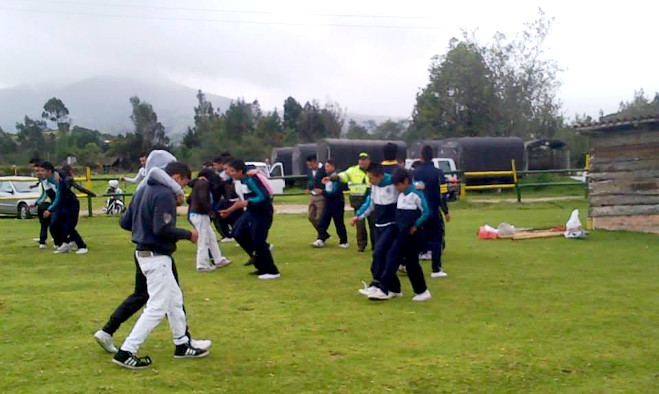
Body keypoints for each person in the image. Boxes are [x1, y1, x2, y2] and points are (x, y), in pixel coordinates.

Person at [94, 151, 210, 356]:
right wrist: (188, 234)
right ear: (176, 177)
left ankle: (182, 343)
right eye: (183, 182)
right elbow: (162, 229)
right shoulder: (164, 194)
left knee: (171, 299)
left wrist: (143, 227)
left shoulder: (142, 190)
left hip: (144, 251)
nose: (183, 187)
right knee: (157, 305)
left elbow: (125, 222)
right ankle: (127, 350)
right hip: (156, 255)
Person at [368, 168, 432, 302]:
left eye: (397, 185)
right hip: (401, 233)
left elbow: (426, 212)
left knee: (411, 263)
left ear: (406, 182)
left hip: (413, 235)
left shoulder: (416, 194)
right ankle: (385, 289)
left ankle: (422, 291)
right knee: (390, 257)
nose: (395, 188)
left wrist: (416, 225)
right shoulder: (401, 195)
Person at [220, 159, 280, 280]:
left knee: (258, 240)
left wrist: (248, 202)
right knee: (237, 233)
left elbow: (263, 196)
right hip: (251, 211)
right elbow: (240, 201)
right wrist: (229, 211)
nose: (229, 173)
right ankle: (259, 262)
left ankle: (272, 271)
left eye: (232, 171)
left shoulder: (251, 180)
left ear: (240, 171)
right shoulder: (240, 181)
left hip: (262, 212)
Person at [350, 163, 399, 297]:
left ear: (381, 176)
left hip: (392, 224)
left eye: (372, 178)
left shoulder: (394, 184)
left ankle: (382, 287)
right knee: (380, 256)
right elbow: (369, 203)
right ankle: (389, 287)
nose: (370, 181)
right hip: (380, 225)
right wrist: (358, 216)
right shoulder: (374, 187)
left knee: (379, 253)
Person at [412, 145, 450, 278]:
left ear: (421, 156)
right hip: (433, 210)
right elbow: (443, 194)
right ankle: (436, 268)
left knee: (417, 236)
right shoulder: (438, 173)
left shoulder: (414, 173)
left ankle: (412, 262)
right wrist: (445, 211)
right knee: (437, 237)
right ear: (432, 156)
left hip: (418, 211)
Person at [189, 168, 231, 272]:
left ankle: (218, 259)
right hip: (200, 215)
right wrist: (211, 211)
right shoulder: (204, 183)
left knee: (211, 237)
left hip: (198, 214)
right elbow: (203, 198)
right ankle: (202, 264)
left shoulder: (199, 183)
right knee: (203, 240)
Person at [336, 152, 375, 252]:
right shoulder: (352, 170)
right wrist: (333, 177)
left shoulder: (374, 170)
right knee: (360, 225)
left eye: (364, 159)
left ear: (369, 161)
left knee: (373, 224)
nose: (362, 161)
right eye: (361, 159)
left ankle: (375, 245)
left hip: (372, 199)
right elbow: (342, 176)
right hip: (358, 200)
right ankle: (361, 245)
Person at [54, 164, 96, 254]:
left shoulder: (66, 179)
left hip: (70, 204)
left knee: (69, 226)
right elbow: (80, 188)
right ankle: (67, 242)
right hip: (64, 204)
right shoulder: (60, 180)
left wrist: (92, 194)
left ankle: (81, 245)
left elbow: (79, 188)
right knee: (64, 225)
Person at [311, 160, 348, 249]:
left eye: (327, 166)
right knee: (323, 221)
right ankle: (321, 239)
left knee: (339, 222)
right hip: (328, 202)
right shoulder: (326, 177)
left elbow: (334, 192)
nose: (325, 168)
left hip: (337, 203)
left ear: (333, 167)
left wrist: (322, 192)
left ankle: (344, 241)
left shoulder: (337, 177)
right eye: (325, 166)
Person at [29, 160, 55, 249]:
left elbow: (57, 193)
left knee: (55, 222)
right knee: (45, 223)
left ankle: (61, 241)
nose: (37, 172)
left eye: (38, 170)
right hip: (47, 204)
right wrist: (36, 203)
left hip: (54, 203)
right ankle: (43, 241)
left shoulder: (52, 179)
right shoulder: (43, 180)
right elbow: (44, 194)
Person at [305, 154, 326, 233]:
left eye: (311, 165)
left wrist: (322, 190)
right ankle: (323, 233)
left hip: (321, 197)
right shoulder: (310, 171)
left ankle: (321, 236)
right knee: (311, 217)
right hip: (313, 196)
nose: (310, 167)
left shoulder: (324, 169)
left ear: (316, 162)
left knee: (319, 218)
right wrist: (308, 189)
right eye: (308, 165)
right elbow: (310, 181)